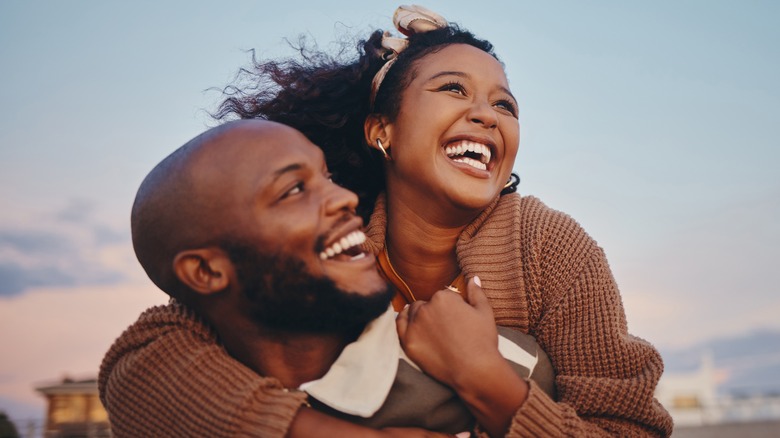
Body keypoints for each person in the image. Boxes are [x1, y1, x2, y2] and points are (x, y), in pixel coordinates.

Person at [106, 4, 673, 437]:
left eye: (506, 105)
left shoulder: (550, 247)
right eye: (453, 89)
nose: (486, 114)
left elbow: (629, 428)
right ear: (383, 131)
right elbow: (142, 365)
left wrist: (485, 378)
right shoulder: (328, 235)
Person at [99, 119, 555, 437]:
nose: (343, 198)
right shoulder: (177, 397)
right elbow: (132, 368)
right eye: (294, 190)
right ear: (206, 272)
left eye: (327, 176)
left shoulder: (508, 365)